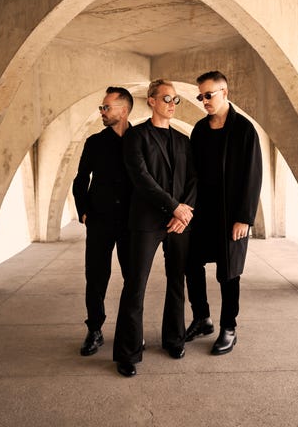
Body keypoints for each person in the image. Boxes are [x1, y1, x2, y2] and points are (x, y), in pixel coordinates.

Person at [113, 79, 197, 377]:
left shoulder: (184, 141)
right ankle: (128, 352)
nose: (172, 104)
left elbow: (193, 181)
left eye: (176, 100)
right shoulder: (136, 137)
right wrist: (173, 206)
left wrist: (184, 212)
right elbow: (141, 178)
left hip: (178, 224)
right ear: (151, 100)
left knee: (177, 282)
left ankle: (174, 339)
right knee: (135, 286)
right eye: (166, 98)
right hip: (146, 222)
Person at [185, 70, 262, 355]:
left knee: (229, 273)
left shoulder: (244, 129)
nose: (204, 101)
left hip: (231, 216)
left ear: (224, 93)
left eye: (209, 95)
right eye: (200, 96)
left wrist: (245, 217)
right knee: (191, 263)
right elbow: (192, 174)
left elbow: (253, 176)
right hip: (202, 213)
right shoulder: (200, 130)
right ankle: (202, 318)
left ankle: (229, 328)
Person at [72, 86, 133, 356]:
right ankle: (94, 330)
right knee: (96, 277)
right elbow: (80, 179)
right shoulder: (94, 142)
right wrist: (84, 210)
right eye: (102, 107)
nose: (102, 112)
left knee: (133, 278)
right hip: (99, 221)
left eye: (106, 107)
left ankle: (131, 331)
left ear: (124, 109)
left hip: (131, 222)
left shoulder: (140, 139)